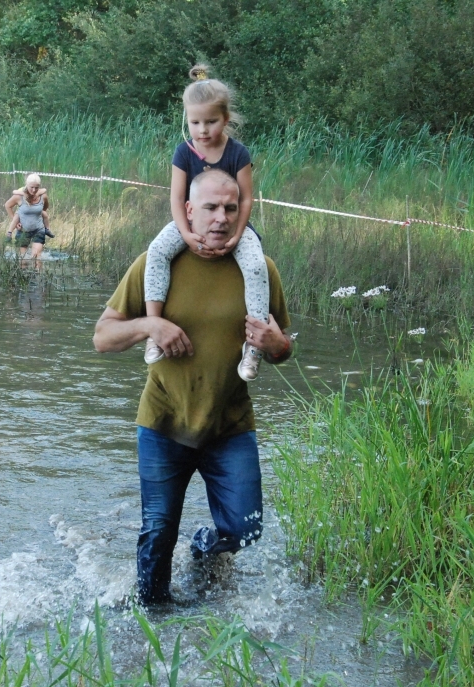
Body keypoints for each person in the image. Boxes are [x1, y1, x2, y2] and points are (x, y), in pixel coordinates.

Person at [93, 169, 294, 606]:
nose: (221, 218)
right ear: (188, 210)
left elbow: (281, 349)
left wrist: (277, 344)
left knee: (247, 528)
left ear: (242, 211)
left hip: (230, 426)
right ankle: (153, 621)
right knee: (157, 533)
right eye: (210, 208)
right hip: (163, 422)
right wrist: (150, 325)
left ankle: (203, 550)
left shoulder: (261, 270)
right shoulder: (155, 264)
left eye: (230, 208)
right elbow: (102, 337)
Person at [142, 64, 269, 383]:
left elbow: (246, 199)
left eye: (210, 121)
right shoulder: (183, 152)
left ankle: (254, 347)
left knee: (256, 266)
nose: (202, 129)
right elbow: (175, 198)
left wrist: (237, 234)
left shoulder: (238, 153)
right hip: (189, 223)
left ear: (225, 119)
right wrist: (185, 233)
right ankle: (154, 329)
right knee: (156, 252)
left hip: (234, 223)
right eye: (195, 122)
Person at [4, 173, 55, 261]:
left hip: (38, 229)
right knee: (23, 260)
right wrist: (15, 222)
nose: (34, 190)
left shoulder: (43, 196)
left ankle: (38, 274)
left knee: (36, 258)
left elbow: (45, 207)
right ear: (26, 185)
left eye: (36, 187)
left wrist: (40, 213)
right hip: (23, 230)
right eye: (31, 187)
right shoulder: (19, 196)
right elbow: (7, 206)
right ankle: (9, 234)